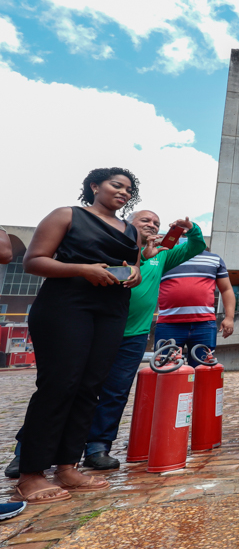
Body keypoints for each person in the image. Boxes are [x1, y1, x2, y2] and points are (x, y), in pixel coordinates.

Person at [12, 168, 142, 505]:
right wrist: (83, 269)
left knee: (90, 386)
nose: (124, 193)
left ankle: (68, 466)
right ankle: (31, 473)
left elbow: (132, 264)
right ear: (94, 186)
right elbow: (33, 261)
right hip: (66, 305)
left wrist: (134, 274)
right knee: (60, 384)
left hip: (112, 309)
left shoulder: (130, 229)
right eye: (117, 185)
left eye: (129, 189)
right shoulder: (67, 215)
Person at [80, 210, 204, 470]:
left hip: (134, 334)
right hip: (95, 329)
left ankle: (97, 447)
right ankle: (31, 451)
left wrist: (190, 229)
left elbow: (196, 246)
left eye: (156, 223)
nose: (152, 225)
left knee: (116, 392)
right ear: (128, 225)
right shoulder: (113, 244)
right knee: (74, 387)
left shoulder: (162, 254)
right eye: (145, 221)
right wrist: (140, 259)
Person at [153, 244, 236, 366]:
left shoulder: (215, 259)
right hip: (168, 324)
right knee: (165, 370)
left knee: (202, 369)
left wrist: (230, 317)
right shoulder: (164, 258)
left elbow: (226, 289)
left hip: (204, 325)